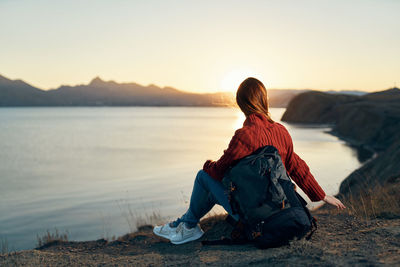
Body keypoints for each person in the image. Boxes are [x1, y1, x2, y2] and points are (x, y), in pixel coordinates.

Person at [153, 77, 346, 245]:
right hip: (282, 209)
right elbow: (296, 166)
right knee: (213, 188)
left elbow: (216, 172)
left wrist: (208, 163)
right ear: (264, 100)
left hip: (253, 215)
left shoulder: (244, 135)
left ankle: (187, 225)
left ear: (241, 103)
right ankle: (184, 223)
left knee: (203, 177)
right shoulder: (281, 131)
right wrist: (322, 195)